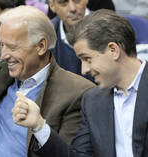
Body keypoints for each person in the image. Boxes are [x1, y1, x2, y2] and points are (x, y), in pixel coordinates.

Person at [0, 5, 94, 157]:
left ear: (41, 46)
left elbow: (69, 154)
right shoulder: (1, 75)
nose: (3, 55)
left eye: (12, 47)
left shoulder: (77, 92)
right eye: (2, 45)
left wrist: (39, 127)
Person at [12, 9, 148, 157]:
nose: (84, 70)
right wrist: (39, 126)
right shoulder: (92, 101)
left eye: (87, 59)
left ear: (113, 50)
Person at [48, 0, 93, 81]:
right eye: (63, 3)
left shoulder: (109, 28)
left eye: (77, 1)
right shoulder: (47, 36)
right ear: (52, 5)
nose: (72, 8)